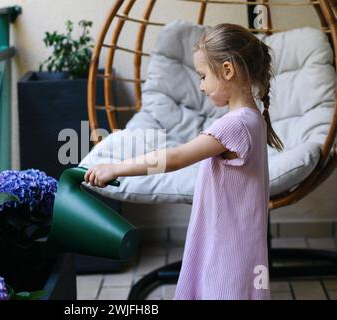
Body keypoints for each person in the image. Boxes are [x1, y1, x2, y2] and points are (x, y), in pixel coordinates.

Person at [84, 23, 284, 300]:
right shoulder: (253, 118)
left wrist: (116, 167)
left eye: (203, 76)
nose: (201, 86)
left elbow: (176, 158)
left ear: (227, 70)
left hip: (227, 250)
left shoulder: (235, 125)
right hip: (240, 244)